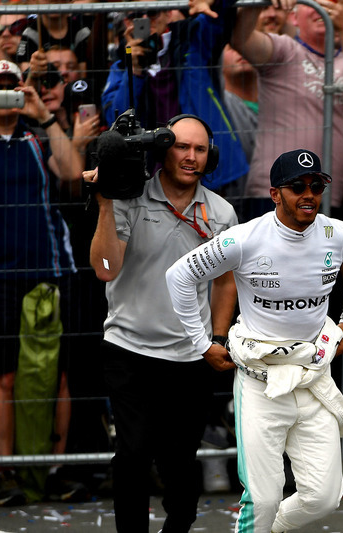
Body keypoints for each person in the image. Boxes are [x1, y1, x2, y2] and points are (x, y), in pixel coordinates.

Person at [165, 148, 343, 533]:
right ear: (275, 194)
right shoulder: (244, 239)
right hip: (259, 383)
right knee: (262, 500)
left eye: (316, 185)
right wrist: (201, 344)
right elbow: (179, 276)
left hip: (313, 379)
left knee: (324, 497)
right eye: (297, 187)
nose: (308, 194)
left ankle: (266, 530)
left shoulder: (337, 233)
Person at [85, 114, 239, 532]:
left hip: (190, 355)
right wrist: (104, 201)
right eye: (182, 147)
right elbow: (104, 268)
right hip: (128, 349)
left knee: (179, 460)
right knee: (133, 454)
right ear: (163, 150)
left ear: (211, 157)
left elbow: (227, 282)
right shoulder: (128, 198)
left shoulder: (222, 212)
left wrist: (218, 337)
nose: (190, 157)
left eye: (200, 150)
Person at [0, 59, 83, 506]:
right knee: (2, 375)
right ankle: (4, 472)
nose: (7, 93)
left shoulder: (37, 134)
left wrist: (42, 114)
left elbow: (70, 171)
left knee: (58, 375)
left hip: (47, 269)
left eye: (12, 85)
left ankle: (55, 470)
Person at [229, 0, 343, 219]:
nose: (325, 6)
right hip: (274, 192)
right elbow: (240, 39)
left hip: (326, 194)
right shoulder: (284, 49)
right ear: (293, 17)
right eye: (315, 2)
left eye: (334, 0)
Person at [102, 0, 248, 192]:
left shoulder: (192, 39)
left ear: (168, 15)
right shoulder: (122, 67)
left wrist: (211, 2)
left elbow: (221, 16)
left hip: (210, 169)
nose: (145, 20)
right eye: (136, 15)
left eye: (153, 13)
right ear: (127, 23)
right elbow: (118, 119)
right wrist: (135, 70)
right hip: (155, 176)